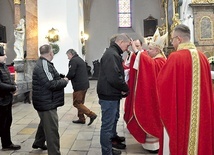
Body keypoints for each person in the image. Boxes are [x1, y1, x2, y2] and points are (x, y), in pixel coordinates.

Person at [157, 24, 214, 155]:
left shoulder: (175, 57)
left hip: (181, 113)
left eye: (172, 39)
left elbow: (162, 84)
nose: (172, 42)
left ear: (179, 39)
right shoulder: (203, 58)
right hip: (201, 113)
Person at [124, 29, 168, 155]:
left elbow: (149, 66)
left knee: (153, 118)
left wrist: (138, 52)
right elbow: (146, 64)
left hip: (156, 98)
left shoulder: (160, 61)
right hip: (154, 95)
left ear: (157, 50)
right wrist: (135, 54)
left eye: (150, 49)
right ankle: (151, 144)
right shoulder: (156, 60)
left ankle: (154, 145)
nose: (147, 51)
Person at [32, 44, 68, 155]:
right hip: (46, 102)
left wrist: (59, 77)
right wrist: (64, 81)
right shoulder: (44, 64)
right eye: (52, 52)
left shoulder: (44, 63)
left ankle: (39, 142)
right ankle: (54, 152)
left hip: (45, 100)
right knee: (52, 129)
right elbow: (50, 84)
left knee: (45, 122)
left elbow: (49, 78)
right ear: (50, 53)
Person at [97, 33, 130, 155]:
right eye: (127, 45)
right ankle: (107, 152)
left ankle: (109, 149)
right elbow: (114, 77)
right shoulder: (111, 54)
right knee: (107, 126)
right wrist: (125, 88)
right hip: (108, 96)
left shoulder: (113, 53)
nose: (127, 48)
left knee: (111, 124)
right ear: (120, 42)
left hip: (111, 94)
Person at [66, 49, 97, 125]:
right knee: (80, 102)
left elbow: (72, 73)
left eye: (68, 56)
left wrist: (66, 78)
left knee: (76, 103)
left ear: (71, 54)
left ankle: (91, 115)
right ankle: (81, 118)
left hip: (78, 85)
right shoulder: (80, 59)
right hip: (84, 84)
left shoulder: (73, 61)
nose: (68, 58)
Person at [0, 48, 21, 151]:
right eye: (3, 55)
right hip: (1, 100)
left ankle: (7, 143)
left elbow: (9, 79)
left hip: (7, 99)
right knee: (2, 123)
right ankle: (6, 143)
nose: (6, 56)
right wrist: (12, 88)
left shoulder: (3, 66)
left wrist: (14, 86)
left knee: (7, 121)